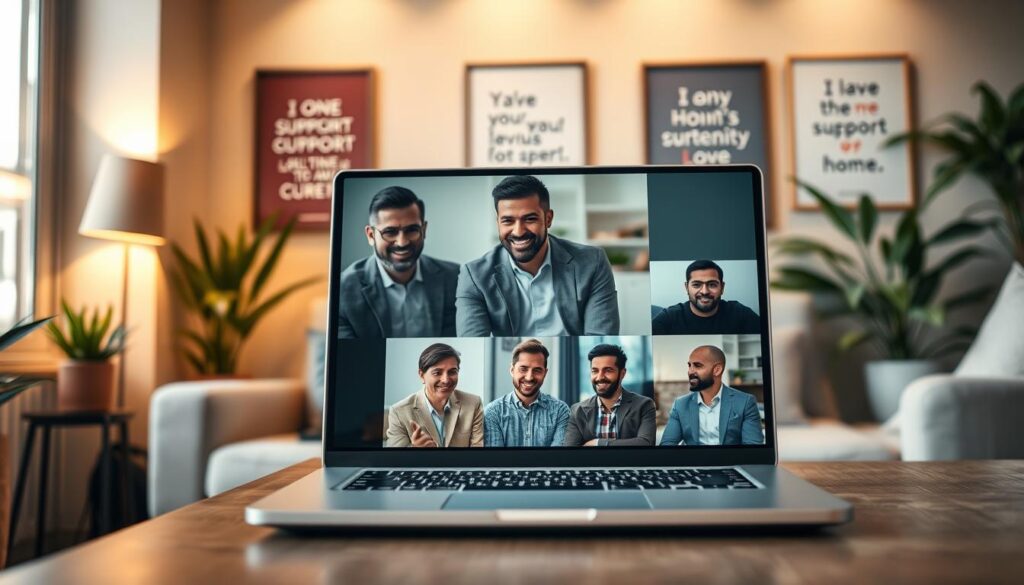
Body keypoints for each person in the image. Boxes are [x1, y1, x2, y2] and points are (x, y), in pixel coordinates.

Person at [456, 175, 619, 337]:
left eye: (530, 219)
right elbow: (473, 341)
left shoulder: (592, 262)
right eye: (508, 221)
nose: (518, 231)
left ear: (548, 219)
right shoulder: (474, 276)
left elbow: (600, 337)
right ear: (498, 222)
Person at [338, 186, 459, 338]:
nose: (402, 242)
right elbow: (347, 359)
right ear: (370, 235)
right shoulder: (343, 290)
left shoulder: (455, 279)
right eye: (390, 232)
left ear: (424, 230)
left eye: (412, 230)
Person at [659, 345, 763, 446]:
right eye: (689, 365)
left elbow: (753, 447)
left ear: (717, 370)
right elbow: (667, 444)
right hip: (693, 463)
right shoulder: (680, 404)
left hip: (729, 463)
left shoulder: (745, 402)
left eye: (697, 365)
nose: (690, 371)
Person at [386, 343, 484, 447]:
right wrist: (414, 451)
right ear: (421, 375)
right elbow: (394, 460)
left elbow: (478, 453)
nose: (446, 380)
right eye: (437, 373)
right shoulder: (399, 412)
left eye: (452, 372)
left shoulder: (473, 404)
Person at [564, 344, 656, 447]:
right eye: (595, 371)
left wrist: (598, 443)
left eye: (608, 370)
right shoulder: (577, 410)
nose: (600, 377)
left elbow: (646, 443)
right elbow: (570, 453)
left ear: (622, 373)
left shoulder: (644, 405)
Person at [484, 339, 571, 447]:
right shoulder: (493, 412)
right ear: (512, 370)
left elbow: (558, 459)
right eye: (523, 369)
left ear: (545, 373)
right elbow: (497, 461)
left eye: (537, 370)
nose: (529, 377)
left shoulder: (560, 411)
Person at [652, 260, 760, 334]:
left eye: (712, 284)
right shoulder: (668, 318)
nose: (704, 291)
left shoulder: (740, 313)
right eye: (697, 285)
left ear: (722, 288)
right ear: (686, 288)